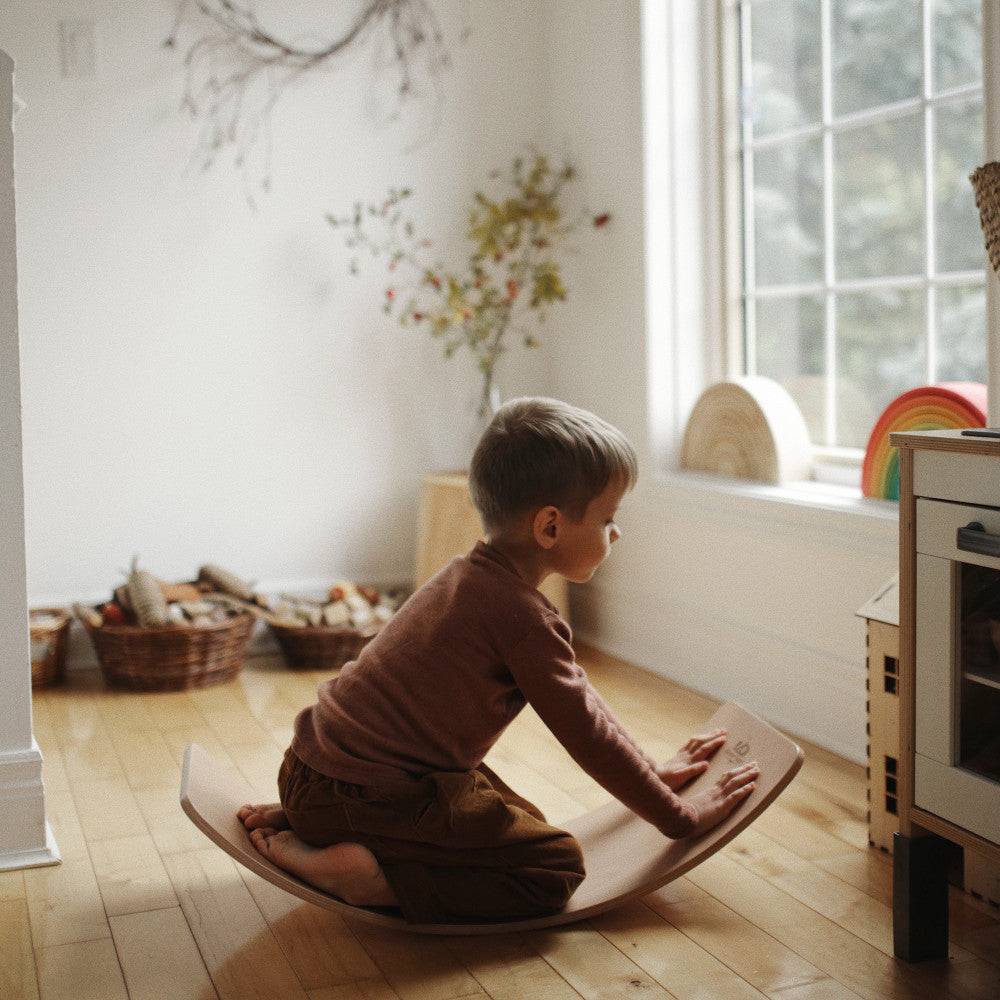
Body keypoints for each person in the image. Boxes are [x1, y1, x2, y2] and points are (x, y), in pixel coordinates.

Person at [239, 397, 759, 924]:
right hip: (366, 794)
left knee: (520, 818)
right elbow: (587, 736)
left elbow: (585, 702)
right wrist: (680, 818)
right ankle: (371, 880)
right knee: (553, 867)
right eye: (608, 518)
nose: (616, 533)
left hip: (308, 770)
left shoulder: (462, 576)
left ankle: (320, 823)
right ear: (550, 527)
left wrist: (652, 771)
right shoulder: (523, 620)